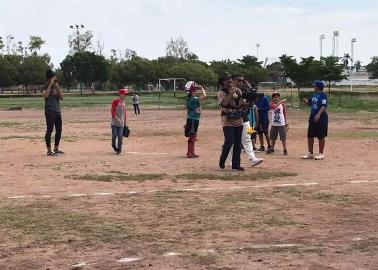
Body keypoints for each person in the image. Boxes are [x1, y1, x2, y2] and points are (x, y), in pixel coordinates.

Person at [226, 74, 263, 167]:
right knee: (232, 140)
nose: (241, 82)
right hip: (233, 118)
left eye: (242, 80)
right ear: (233, 81)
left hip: (244, 117)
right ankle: (229, 160)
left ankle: (252, 159)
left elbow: (252, 96)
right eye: (239, 80)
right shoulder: (230, 90)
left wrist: (249, 88)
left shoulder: (243, 90)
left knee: (247, 138)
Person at [218, 73, 245, 171]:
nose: (230, 82)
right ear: (223, 82)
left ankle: (236, 164)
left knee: (238, 143)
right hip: (227, 120)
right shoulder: (221, 92)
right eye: (227, 80)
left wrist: (247, 102)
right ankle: (222, 159)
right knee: (229, 141)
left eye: (230, 80)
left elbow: (241, 103)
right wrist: (231, 93)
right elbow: (224, 103)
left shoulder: (238, 91)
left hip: (238, 119)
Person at [302, 80, 328, 160]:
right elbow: (309, 103)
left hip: (321, 118)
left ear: (318, 87)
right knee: (310, 136)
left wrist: (318, 114)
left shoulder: (323, 95)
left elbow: (324, 106)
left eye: (314, 86)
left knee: (321, 136)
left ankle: (321, 153)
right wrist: (306, 101)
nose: (314, 87)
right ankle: (310, 153)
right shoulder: (314, 95)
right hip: (312, 117)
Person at [42, 69, 64, 156]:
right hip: (49, 111)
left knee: (59, 130)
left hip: (57, 111)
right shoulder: (45, 86)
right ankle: (49, 150)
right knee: (50, 130)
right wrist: (50, 85)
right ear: (49, 79)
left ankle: (56, 148)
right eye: (53, 78)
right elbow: (45, 95)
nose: (55, 79)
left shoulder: (57, 87)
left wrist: (57, 87)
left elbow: (62, 97)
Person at [184, 81, 207, 158]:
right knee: (192, 136)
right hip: (193, 119)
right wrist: (202, 88)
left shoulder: (189, 97)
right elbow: (204, 96)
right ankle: (190, 153)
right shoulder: (193, 98)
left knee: (193, 136)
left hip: (191, 118)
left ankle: (190, 152)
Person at [111, 88, 128, 155]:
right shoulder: (115, 101)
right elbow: (112, 111)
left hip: (122, 124)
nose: (125, 95)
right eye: (124, 94)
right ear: (120, 94)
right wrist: (116, 118)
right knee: (115, 135)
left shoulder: (124, 103)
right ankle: (113, 145)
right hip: (114, 123)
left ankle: (119, 150)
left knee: (120, 136)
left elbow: (125, 113)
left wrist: (125, 122)